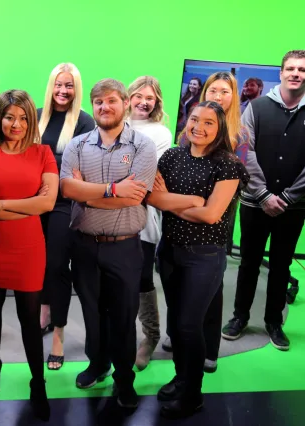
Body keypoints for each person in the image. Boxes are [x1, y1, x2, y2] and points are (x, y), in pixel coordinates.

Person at [148, 101, 248, 419]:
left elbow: (212, 214)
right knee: (176, 324)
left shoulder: (227, 165)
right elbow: (152, 196)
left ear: (219, 130)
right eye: (194, 119)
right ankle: (181, 377)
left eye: (208, 123)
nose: (199, 127)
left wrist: (173, 204)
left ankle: (193, 394)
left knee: (190, 326)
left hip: (204, 256)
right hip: (170, 251)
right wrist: (192, 200)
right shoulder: (172, 156)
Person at [60, 78, 157, 408]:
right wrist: (113, 190)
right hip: (84, 244)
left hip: (125, 245)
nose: (105, 107)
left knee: (123, 315)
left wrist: (88, 194)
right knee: (92, 312)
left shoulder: (141, 146)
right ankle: (97, 364)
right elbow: (68, 190)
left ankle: (123, 379)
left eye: (112, 100)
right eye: (98, 102)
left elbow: (136, 198)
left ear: (125, 103)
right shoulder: (77, 146)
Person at [0, 89, 58, 421]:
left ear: (31, 120)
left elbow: (47, 204)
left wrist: (2, 204)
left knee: (29, 318)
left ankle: (38, 382)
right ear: (0, 118)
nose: (16, 123)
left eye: (23, 118)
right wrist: (26, 206)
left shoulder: (43, 153)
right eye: (9, 117)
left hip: (29, 247)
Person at [165, 72, 250, 373]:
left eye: (224, 91)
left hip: (212, 233)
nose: (217, 95)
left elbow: (214, 210)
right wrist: (189, 202)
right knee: (181, 308)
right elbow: (160, 195)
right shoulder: (181, 143)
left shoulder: (238, 142)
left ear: (232, 96)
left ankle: (206, 351)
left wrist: (181, 203)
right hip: (177, 235)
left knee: (208, 296)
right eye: (212, 89)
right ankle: (181, 343)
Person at [222, 50, 305, 351]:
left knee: (282, 265)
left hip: (292, 207)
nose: (296, 73)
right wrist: (264, 194)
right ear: (282, 73)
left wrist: (285, 196)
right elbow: (245, 152)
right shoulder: (255, 107)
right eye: (291, 68)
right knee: (249, 263)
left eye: (302, 69)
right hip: (255, 203)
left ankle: (273, 322)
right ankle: (239, 316)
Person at [36, 63, 95, 370]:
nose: (62, 91)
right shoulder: (36, 115)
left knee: (58, 265)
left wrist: (46, 162)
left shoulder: (84, 122)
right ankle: (44, 314)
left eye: (69, 86)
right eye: (58, 85)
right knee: (38, 263)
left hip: (62, 203)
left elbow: (76, 166)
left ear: (76, 89)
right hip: (34, 201)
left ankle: (58, 335)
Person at [127, 76, 172, 370]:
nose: (144, 102)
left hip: (141, 216)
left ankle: (151, 336)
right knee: (116, 282)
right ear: (129, 97)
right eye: (139, 96)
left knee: (142, 279)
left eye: (151, 98)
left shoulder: (161, 133)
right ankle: (118, 338)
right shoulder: (111, 123)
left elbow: (143, 173)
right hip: (107, 215)